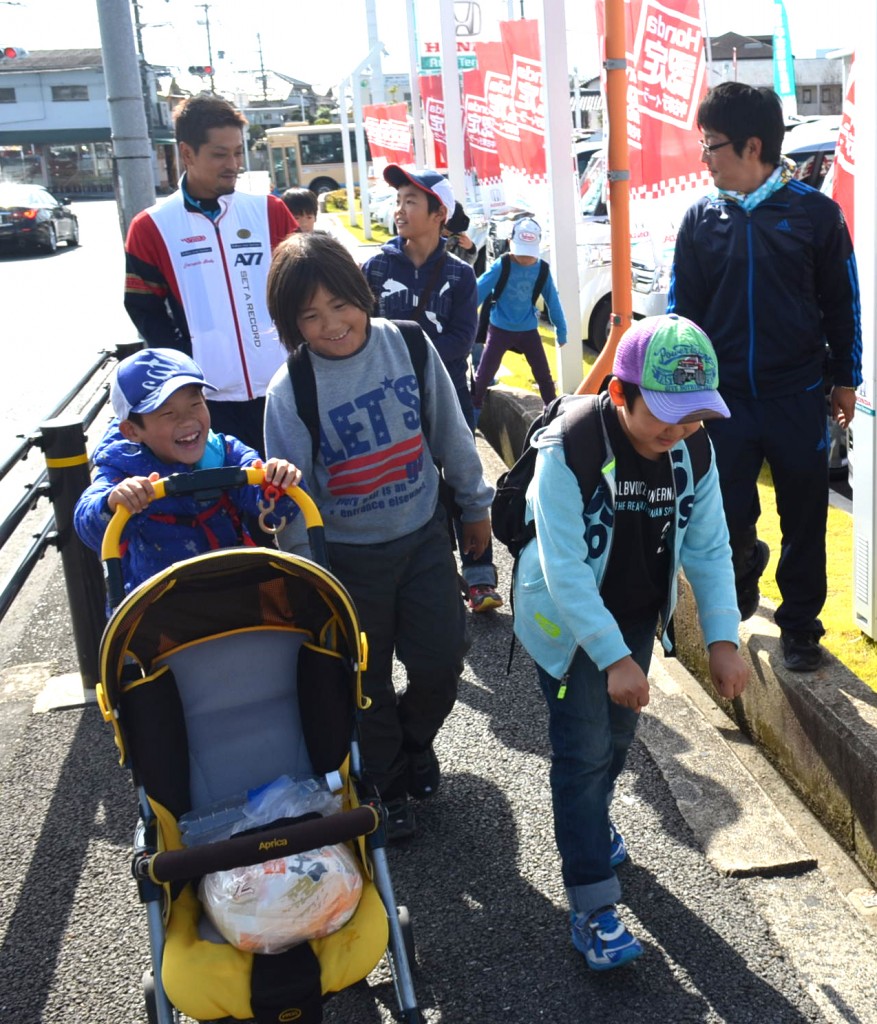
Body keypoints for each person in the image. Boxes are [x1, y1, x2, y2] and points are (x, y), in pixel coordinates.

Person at [514, 314, 749, 971]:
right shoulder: (570, 448)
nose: (676, 432)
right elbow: (562, 568)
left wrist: (724, 638)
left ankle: (592, 819)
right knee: (584, 751)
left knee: (616, 738)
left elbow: (708, 548)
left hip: (633, 619)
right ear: (620, 395)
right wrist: (610, 657)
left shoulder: (692, 452)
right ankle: (591, 903)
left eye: (693, 417)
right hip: (568, 625)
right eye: (664, 417)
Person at [263, 232, 494, 841]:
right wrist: (310, 579)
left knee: (442, 662)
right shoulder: (291, 391)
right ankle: (386, 785)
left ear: (360, 293)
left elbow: (451, 435)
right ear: (292, 325)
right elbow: (291, 501)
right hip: (346, 560)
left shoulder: (410, 346)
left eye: (340, 304)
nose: (332, 324)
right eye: (309, 316)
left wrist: (475, 508)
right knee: (364, 687)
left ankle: (415, 743)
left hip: (421, 541)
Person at [666, 82, 862, 673]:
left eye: (712, 146)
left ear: (754, 146)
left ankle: (801, 626)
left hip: (797, 396)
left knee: (805, 515)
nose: (704, 159)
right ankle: (745, 564)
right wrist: (681, 393)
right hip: (724, 403)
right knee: (725, 512)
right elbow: (683, 315)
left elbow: (841, 303)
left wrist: (844, 379)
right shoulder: (701, 219)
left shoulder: (815, 215)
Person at [123, 94, 298, 457]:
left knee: (294, 498)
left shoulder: (271, 211)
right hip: (208, 404)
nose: (234, 164)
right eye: (220, 154)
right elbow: (144, 309)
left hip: (287, 388)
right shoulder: (150, 227)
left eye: (238, 152)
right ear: (187, 153)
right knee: (229, 503)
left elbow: (306, 288)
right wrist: (186, 369)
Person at [362, 165, 502, 613]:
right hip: (388, 401)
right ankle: (436, 573)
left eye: (410, 201)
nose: (399, 209)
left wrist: (409, 365)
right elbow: (363, 330)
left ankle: (480, 577)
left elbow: (462, 339)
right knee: (410, 481)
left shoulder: (461, 275)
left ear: (439, 212)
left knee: (463, 480)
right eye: (398, 200)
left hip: (449, 396)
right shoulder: (375, 267)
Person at [74, 348, 300, 595]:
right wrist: (111, 503)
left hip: (235, 588)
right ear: (132, 431)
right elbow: (88, 524)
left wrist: (279, 482)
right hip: (160, 604)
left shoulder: (224, 452)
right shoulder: (122, 466)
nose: (187, 420)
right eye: (168, 413)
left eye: (195, 404)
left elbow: (274, 512)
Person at [473, 216, 567, 415]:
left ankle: (552, 413)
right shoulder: (503, 264)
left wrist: (562, 330)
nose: (525, 258)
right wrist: (461, 316)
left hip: (528, 329)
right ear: (510, 243)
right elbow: (478, 291)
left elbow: (553, 301)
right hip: (499, 328)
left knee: (544, 375)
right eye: (521, 252)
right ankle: (473, 412)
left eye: (529, 253)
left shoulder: (542, 269)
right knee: (484, 373)